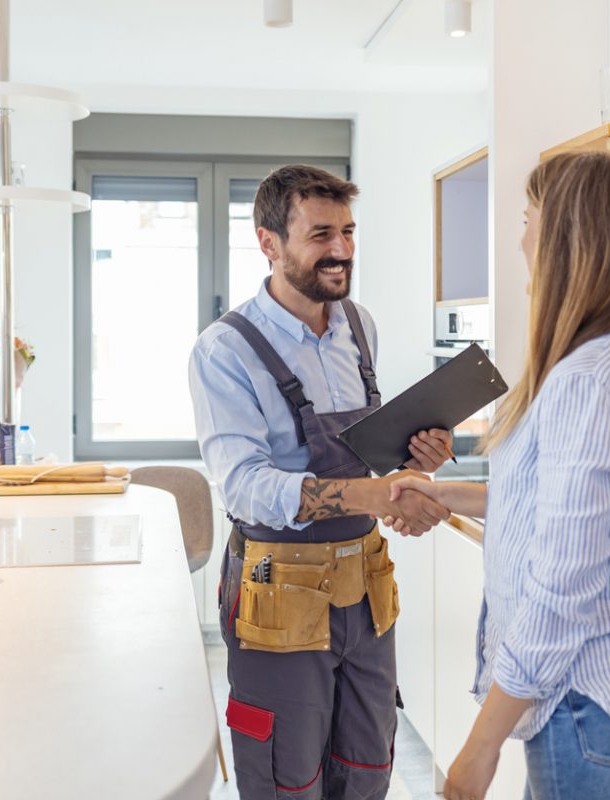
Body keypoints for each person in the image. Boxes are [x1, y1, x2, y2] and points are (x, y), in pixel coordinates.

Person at [391, 151, 610, 800]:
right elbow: (554, 511)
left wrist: (480, 745)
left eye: (529, 219)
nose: (521, 239)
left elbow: (562, 586)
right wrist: (443, 493)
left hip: (585, 702)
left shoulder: (586, 379)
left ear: (566, 239)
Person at [189, 164, 454, 799]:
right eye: (320, 235)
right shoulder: (224, 351)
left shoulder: (358, 326)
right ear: (269, 243)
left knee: (366, 767)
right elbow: (245, 486)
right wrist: (371, 492)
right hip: (279, 595)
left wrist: (417, 459)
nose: (340, 250)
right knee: (287, 777)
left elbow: (365, 454)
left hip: (366, 590)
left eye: (348, 232)